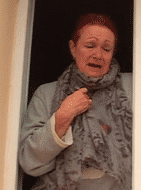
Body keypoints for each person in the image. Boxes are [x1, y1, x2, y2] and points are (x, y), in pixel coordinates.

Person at [19, 14, 132, 190]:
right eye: (90, 45)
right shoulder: (47, 94)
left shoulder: (133, 88)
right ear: (73, 48)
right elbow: (29, 162)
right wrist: (63, 115)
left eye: (107, 48)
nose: (98, 55)